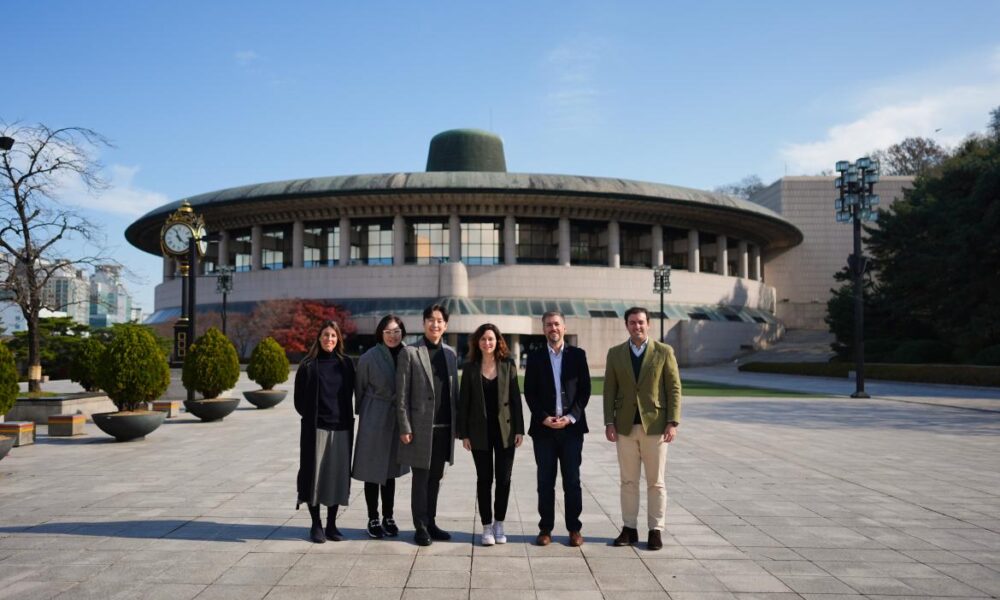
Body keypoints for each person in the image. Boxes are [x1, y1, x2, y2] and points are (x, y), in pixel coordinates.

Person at [603, 306, 682, 551]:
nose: (637, 326)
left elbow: (674, 388)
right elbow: (609, 390)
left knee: (656, 482)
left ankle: (655, 529)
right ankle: (629, 528)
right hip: (625, 426)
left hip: (655, 426)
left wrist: (673, 421)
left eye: (641, 322)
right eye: (632, 323)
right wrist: (609, 422)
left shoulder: (664, 351)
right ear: (626, 325)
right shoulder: (615, 354)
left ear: (648, 324)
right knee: (628, 481)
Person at [524, 310, 591, 547]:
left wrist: (571, 417)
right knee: (545, 481)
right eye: (548, 325)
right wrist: (543, 417)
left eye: (556, 324)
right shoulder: (534, 357)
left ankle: (574, 528)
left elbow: (585, 392)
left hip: (571, 430)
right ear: (543, 329)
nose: (553, 328)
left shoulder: (578, 355)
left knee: (572, 480)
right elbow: (529, 392)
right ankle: (545, 529)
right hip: (544, 431)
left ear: (564, 327)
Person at [396, 304, 460, 546]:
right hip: (420, 429)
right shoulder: (410, 352)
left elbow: (455, 391)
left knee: (436, 477)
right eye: (431, 320)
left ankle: (431, 521)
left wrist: (459, 427)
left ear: (445, 325)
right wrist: (405, 427)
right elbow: (401, 395)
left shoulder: (451, 354)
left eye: (440, 320)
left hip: (444, 428)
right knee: (420, 479)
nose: (435, 324)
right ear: (424, 323)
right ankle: (420, 525)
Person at [457, 323, 524, 546]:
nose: (488, 343)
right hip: (479, 433)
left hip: (505, 432)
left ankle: (499, 523)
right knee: (484, 479)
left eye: (491, 339)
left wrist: (519, 430)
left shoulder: (508, 364)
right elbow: (463, 403)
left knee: (504, 480)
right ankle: (486, 526)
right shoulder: (469, 367)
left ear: (498, 342)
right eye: (484, 339)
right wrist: (464, 434)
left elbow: (515, 399)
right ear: (478, 342)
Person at [294, 320, 356, 544]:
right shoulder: (308, 365)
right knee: (315, 477)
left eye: (333, 336)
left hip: (341, 428)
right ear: (319, 338)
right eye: (325, 335)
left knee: (336, 477)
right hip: (316, 429)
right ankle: (316, 524)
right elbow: (299, 401)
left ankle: (331, 524)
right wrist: (314, 417)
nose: (329, 339)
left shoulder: (347, 364)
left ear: (338, 339)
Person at [353, 314, 410, 539]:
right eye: (388, 332)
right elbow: (360, 387)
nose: (392, 336)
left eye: (396, 331)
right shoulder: (369, 357)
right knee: (371, 469)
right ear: (380, 333)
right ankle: (372, 517)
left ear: (402, 332)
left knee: (390, 472)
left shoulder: (408, 354)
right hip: (374, 415)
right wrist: (364, 413)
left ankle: (389, 516)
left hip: (397, 416)